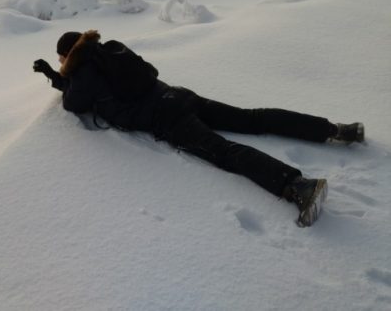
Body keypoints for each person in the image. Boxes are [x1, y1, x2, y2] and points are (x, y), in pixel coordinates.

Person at [33, 30, 365, 227]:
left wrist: (60, 78)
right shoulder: (112, 48)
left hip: (168, 119)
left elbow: (73, 103)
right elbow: (148, 69)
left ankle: (298, 187)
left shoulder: (83, 75)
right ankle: (333, 129)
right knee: (252, 117)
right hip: (179, 96)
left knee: (224, 152)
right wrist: (58, 75)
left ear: (68, 57)